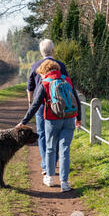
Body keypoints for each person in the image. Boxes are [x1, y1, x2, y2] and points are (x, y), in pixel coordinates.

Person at [18, 59, 81, 192]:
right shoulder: (67, 80)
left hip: (52, 120)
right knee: (65, 150)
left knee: (51, 148)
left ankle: (50, 178)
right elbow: (76, 99)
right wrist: (78, 118)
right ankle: (64, 183)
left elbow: (35, 105)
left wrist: (23, 121)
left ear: (45, 71)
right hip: (69, 119)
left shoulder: (45, 83)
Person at [27, 39, 70, 175]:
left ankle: (46, 165)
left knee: (42, 134)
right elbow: (68, 85)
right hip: (56, 104)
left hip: (40, 105)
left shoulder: (35, 66)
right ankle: (53, 161)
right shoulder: (60, 65)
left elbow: (30, 87)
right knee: (56, 133)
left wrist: (30, 103)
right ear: (53, 50)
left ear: (41, 52)